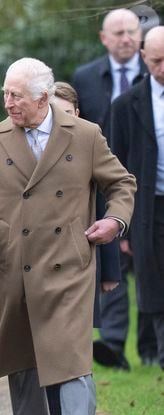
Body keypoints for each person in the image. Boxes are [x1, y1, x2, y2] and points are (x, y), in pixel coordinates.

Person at [0, 57, 136, 415]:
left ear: (42, 98)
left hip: (69, 262)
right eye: (5, 93)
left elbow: (122, 183)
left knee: (70, 349)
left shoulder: (85, 135)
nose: (8, 102)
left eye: (15, 95)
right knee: (22, 354)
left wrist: (114, 220)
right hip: (13, 265)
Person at [73, 8, 156, 369]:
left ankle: (151, 347)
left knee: (152, 264)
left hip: (148, 182)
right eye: (117, 32)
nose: (125, 38)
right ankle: (113, 342)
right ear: (104, 38)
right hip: (103, 183)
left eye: (131, 32)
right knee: (114, 263)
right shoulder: (86, 78)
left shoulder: (155, 72)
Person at [45, 81, 121, 415]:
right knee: (47, 345)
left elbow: (106, 208)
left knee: (74, 346)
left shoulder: (90, 141)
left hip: (81, 257)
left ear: (77, 112)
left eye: (66, 111)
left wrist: (110, 271)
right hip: (42, 262)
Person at [110, 26, 164, 370]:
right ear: (144, 58)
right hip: (149, 207)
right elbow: (117, 167)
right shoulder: (127, 105)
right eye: (157, 61)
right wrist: (123, 225)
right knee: (154, 283)